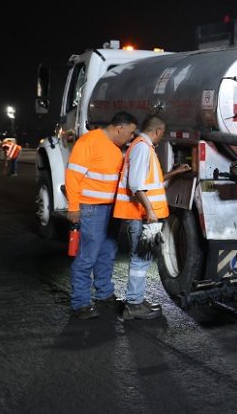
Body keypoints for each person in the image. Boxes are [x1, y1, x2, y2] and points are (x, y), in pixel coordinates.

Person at [113, 115, 191, 320]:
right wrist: (150, 210)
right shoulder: (141, 148)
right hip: (140, 215)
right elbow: (136, 185)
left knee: (143, 258)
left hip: (143, 215)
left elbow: (149, 182)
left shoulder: (144, 148)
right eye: (162, 134)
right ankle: (133, 305)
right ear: (157, 131)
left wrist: (174, 173)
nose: (161, 137)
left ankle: (136, 299)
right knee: (140, 258)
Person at [66, 111, 138, 319]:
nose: (131, 137)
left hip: (110, 209)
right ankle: (80, 302)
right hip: (92, 209)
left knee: (107, 252)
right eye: (130, 133)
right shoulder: (89, 141)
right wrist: (73, 206)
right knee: (88, 255)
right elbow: (73, 175)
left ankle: (104, 292)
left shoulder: (116, 148)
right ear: (119, 128)